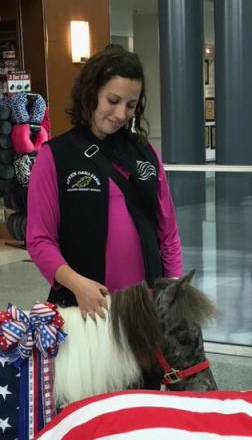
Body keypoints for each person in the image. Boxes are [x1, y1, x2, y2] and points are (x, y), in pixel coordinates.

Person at [26, 44, 183, 320]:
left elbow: (168, 234)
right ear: (92, 93)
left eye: (131, 105)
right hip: (85, 310)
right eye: (113, 100)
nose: (121, 114)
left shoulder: (146, 153)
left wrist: (172, 291)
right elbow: (39, 241)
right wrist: (76, 284)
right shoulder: (56, 157)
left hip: (142, 311)